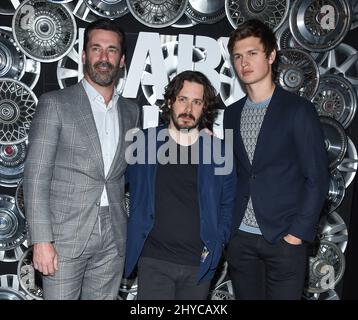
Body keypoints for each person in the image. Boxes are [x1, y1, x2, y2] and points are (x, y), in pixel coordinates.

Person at [23, 18, 139, 300]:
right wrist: (41, 240)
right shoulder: (55, 104)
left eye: (111, 50)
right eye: (96, 49)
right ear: (84, 55)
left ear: (122, 60)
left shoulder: (131, 111)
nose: (104, 57)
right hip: (64, 236)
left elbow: (131, 171)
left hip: (113, 234)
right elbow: (36, 176)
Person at [223, 19, 329, 300]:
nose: (244, 62)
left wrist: (296, 235)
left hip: (284, 240)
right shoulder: (231, 114)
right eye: (238, 56)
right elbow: (234, 174)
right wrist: (228, 231)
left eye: (252, 53)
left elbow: (317, 179)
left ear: (271, 56)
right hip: (241, 241)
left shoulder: (299, 110)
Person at [124, 70, 236, 300]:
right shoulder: (144, 143)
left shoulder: (219, 151)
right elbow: (112, 183)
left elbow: (229, 203)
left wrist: (218, 239)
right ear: (170, 102)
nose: (188, 108)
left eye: (197, 102)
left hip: (199, 264)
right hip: (154, 260)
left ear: (204, 108)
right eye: (182, 99)